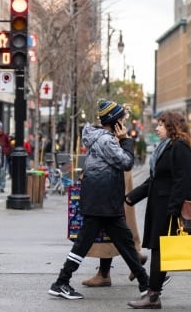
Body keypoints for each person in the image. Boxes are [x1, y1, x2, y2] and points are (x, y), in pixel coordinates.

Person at [126, 110, 191, 309]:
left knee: (163, 251)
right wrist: (132, 197)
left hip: (172, 210)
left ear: (171, 126)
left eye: (161, 124)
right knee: (174, 253)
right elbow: (155, 179)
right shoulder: (166, 147)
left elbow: (182, 181)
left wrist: (173, 210)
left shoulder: (180, 147)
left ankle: (153, 295)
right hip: (162, 207)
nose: (157, 128)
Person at [49, 99, 150, 301]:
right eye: (121, 120)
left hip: (102, 199)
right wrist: (125, 140)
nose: (124, 123)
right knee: (102, 244)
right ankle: (61, 282)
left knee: (124, 243)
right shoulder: (106, 140)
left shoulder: (99, 138)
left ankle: (146, 285)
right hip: (103, 201)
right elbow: (126, 162)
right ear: (115, 122)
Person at [0, 122, 11, 193]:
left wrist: (6, 151)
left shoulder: (4, 136)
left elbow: (8, 144)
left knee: (2, 171)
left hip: (2, 155)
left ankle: (2, 186)